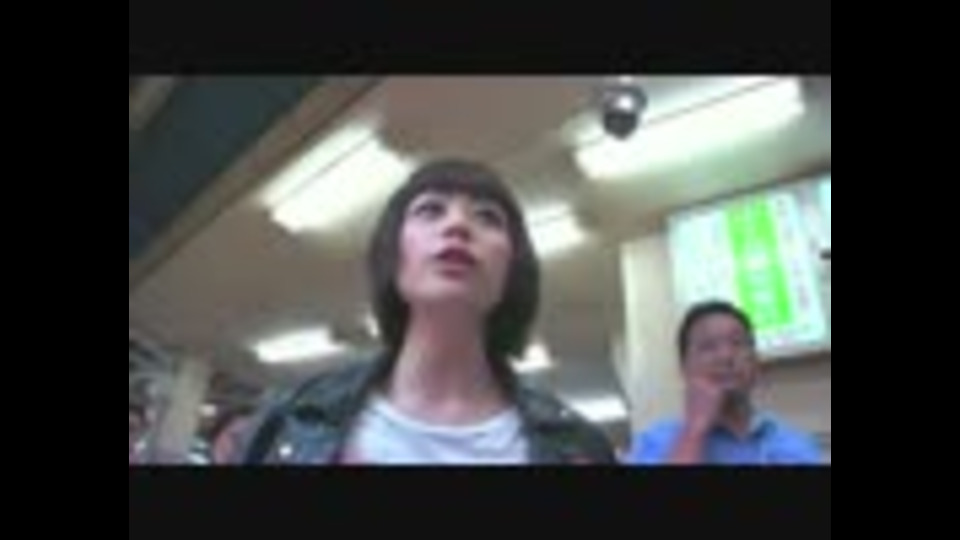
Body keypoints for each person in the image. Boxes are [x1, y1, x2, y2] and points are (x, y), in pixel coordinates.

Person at [236, 158, 617, 465]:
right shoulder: (294, 420)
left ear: (512, 268)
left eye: (488, 217)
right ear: (394, 253)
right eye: (430, 210)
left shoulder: (577, 447)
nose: (458, 224)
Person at [627, 300, 822, 465]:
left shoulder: (796, 444)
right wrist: (694, 430)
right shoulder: (654, 442)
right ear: (684, 368)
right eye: (708, 347)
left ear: (755, 362)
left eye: (738, 343)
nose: (726, 356)